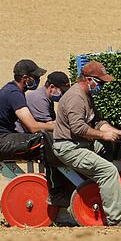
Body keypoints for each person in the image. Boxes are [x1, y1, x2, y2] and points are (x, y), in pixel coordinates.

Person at [52, 61, 121, 226]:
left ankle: (107, 188)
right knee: (108, 171)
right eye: (100, 82)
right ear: (87, 79)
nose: (102, 86)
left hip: (81, 144)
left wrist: (113, 131)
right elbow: (77, 128)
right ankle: (117, 219)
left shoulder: (87, 96)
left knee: (108, 145)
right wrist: (102, 135)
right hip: (69, 147)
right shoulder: (75, 97)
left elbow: (97, 121)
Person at [15, 71, 72, 207]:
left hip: (33, 136)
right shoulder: (39, 99)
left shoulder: (46, 99)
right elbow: (49, 126)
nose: (63, 94)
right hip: (27, 139)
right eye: (62, 91)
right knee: (53, 150)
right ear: (51, 87)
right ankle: (56, 191)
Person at [0, 59, 53, 158]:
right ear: (25, 78)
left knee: (42, 137)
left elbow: (28, 124)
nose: (38, 80)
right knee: (45, 138)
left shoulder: (13, 91)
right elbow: (33, 127)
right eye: (35, 77)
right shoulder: (14, 94)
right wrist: (57, 127)